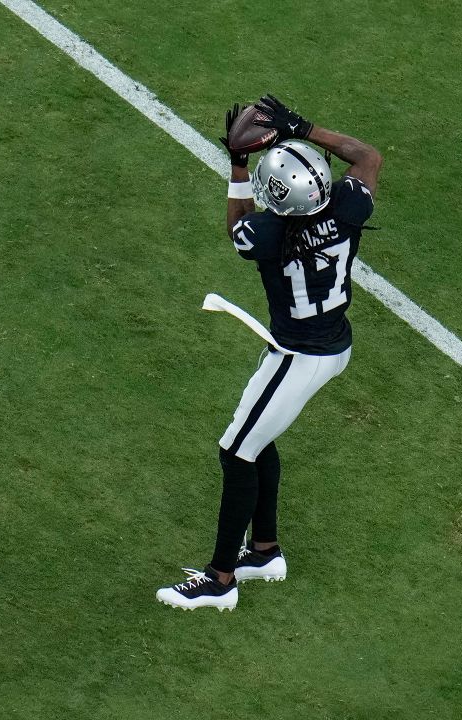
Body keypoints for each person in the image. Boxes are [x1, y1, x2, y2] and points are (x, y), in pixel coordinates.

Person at [156, 95, 383, 611]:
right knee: (258, 440)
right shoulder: (348, 207)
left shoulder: (267, 234)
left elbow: (238, 223)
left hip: (298, 355)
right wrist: (303, 127)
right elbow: (366, 156)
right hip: (328, 344)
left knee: (237, 451)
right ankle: (264, 551)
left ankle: (220, 579)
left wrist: (238, 163)